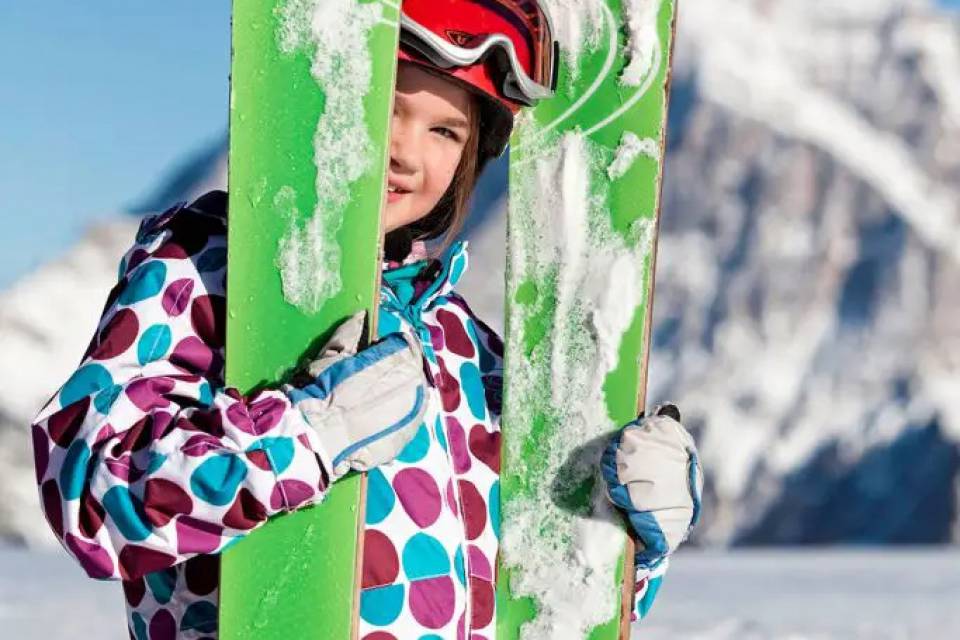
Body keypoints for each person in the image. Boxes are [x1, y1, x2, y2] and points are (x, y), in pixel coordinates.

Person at [31, 0, 702, 638]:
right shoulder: (209, 267)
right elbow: (94, 492)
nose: (407, 152)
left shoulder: (466, 346)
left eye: (446, 130)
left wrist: (631, 538)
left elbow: (519, 589)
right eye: (388, 104)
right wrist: (306, 438)